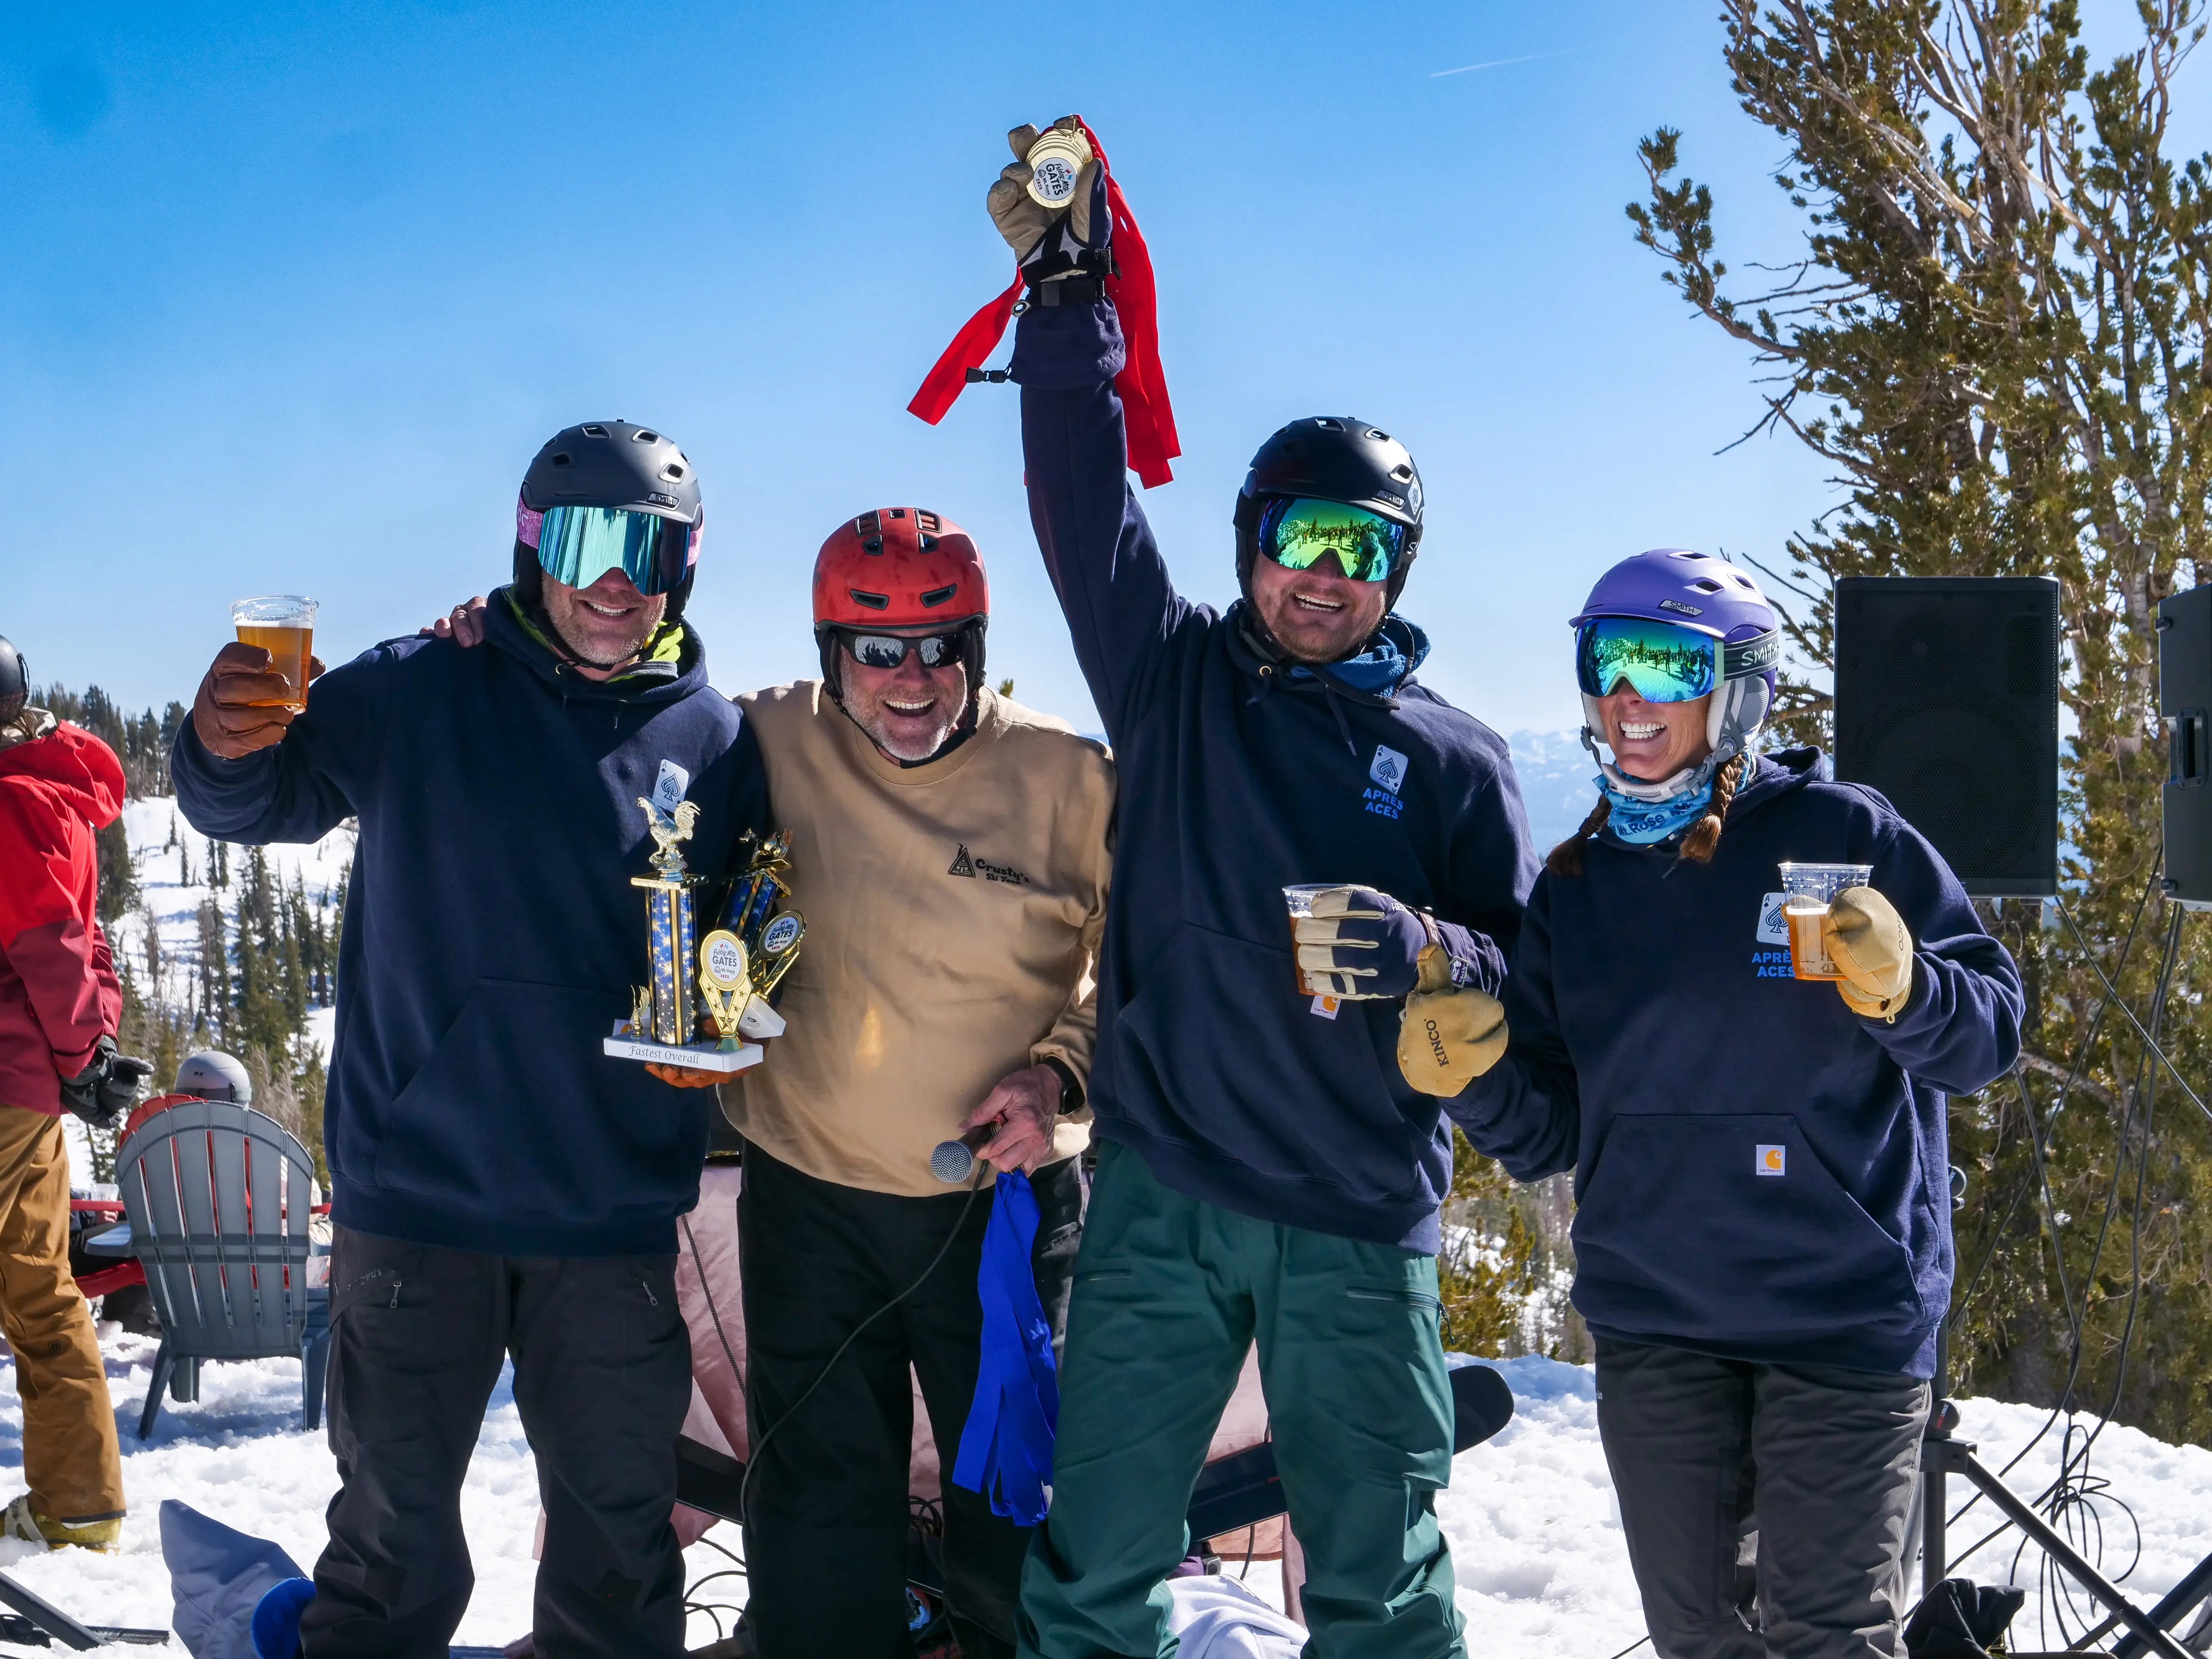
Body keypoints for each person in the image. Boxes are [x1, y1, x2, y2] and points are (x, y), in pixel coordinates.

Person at [973, 124, 1537, 1658]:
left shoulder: (1453, 762)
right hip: (1164, 1192)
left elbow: (1518, 979)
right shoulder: (1172, 679)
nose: (1322, 570)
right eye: (1297, 535)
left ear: (1397, 570)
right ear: (1253, 542)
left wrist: (1430, 950)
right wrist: (1068, 293)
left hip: (1358, 1210)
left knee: (1378, 1570)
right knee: (1094, 1557)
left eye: (1360, 545)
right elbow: (1076, 491)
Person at [435, 506, 1115, 1659]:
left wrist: (1061, 1075)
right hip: (812, 1201)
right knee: (815, 1516)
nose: (910, 680)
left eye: (938, 645)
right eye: (876, 649)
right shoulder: (758, 739)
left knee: (1018, 1506)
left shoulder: (1069, 778)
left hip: (996, 1212)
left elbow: (1147, 972)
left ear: (978, 649)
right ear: (828, 652)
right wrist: (491, 644)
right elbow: (605, 713)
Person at [171, 422, 772, 1659]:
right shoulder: (415, 686)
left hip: (606, 1217)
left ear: (686, 565)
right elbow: (258, 804)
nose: (618, 580)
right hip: (420, 1202)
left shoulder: (716, 742)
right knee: (391, 1546)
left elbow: (742, 935)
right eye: (588, 541)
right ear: (531, 547)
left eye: (651, 548)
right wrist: (219, 748)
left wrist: (725, 1017)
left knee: (618, 1548)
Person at [1449, 549, 2025, 1659]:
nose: (1630, 693)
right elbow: (1552, 1131)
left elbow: (1988, 1032)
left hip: (1842, 1313)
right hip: (1661, 1317)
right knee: (1703, 1641)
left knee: (1828, 1639)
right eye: (1608, 659)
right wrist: (1469, 1075)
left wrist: (1912, 988)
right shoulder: (1576, 888)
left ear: (1739, 689)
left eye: (1667, 664)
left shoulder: (1844, 832)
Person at [0, 632, 142, 1552]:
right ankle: (78, 1505)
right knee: (39, 1288)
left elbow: (47, 944)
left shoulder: (11, 805)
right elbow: (86, 946)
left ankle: (79, 1505)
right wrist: (90, 1048)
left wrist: (83, 1049)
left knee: (36, 1289)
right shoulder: (54, 794)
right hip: (27, 1089)